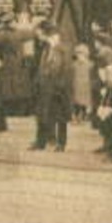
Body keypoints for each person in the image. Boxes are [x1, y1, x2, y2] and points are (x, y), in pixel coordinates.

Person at [31, 21, 72, 151]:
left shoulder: (62, 49)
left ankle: (61, 143)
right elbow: (42, 68)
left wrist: (58, 86)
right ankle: (41, 142)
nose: (38, 37)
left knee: (60, 116)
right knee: (43, 114)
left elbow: (62, 69)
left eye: (40, 34)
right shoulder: (45, 49)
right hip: (45, 87)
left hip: (57, 88)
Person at [71, 42, 94, 123]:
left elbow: (92, 76)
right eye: (78, 54)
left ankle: (83, 116)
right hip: (76, 85)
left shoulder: (90, 65)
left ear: (86, 54)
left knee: (85, 102)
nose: (79, 56)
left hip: (86, 86)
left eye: (81, 54)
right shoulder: (74, 65)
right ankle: (76, 116)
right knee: (76, 101)